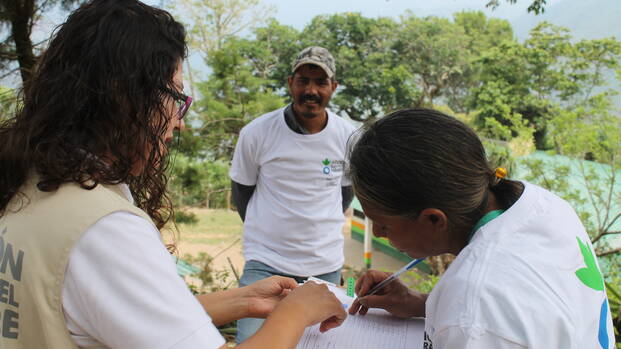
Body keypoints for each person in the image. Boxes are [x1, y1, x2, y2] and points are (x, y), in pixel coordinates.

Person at [0, 1, 346, 348]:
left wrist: (242, 301)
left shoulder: (31, 186)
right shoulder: (105, 228)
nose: (179, 122)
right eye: (176, 97)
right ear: (129, 98)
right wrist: (297, 312)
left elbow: (122, 314)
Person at [347, 108, 615, 349]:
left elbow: (481, 319)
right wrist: (418, 302)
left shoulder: (475, 313)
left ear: (433, 220)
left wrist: (461, 315)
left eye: (383, 225)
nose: (378, 234)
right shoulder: (543, 204)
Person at [229, 46, 357, 342]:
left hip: (324, 268)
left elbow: (345, 194)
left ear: (333, 88)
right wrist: (270, 232)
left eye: (320, 82)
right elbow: (243, 194)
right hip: (265, 265)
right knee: (253, 343)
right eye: (303, 80)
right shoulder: (257, 133)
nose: (311, 90)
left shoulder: (349, 137)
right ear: (291, 83)